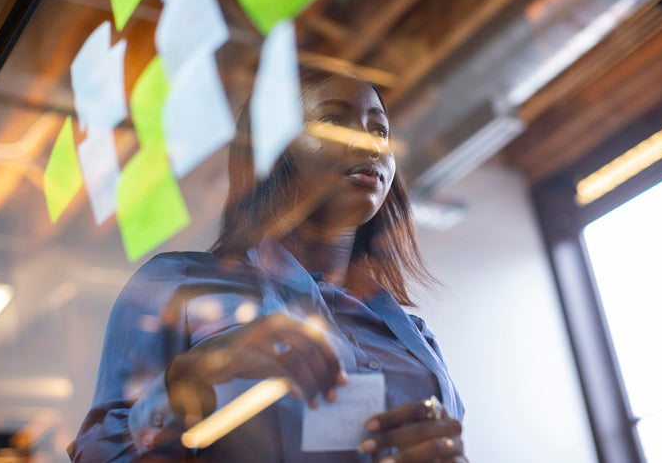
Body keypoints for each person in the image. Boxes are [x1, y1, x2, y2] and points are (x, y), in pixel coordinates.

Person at [70, 66, 467, 462]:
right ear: (273, 148)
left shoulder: (416, 341)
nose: (372, 146)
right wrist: (192, 382)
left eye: (380, 131)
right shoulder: (175, 287)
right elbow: (99, 456)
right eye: (332, 120)